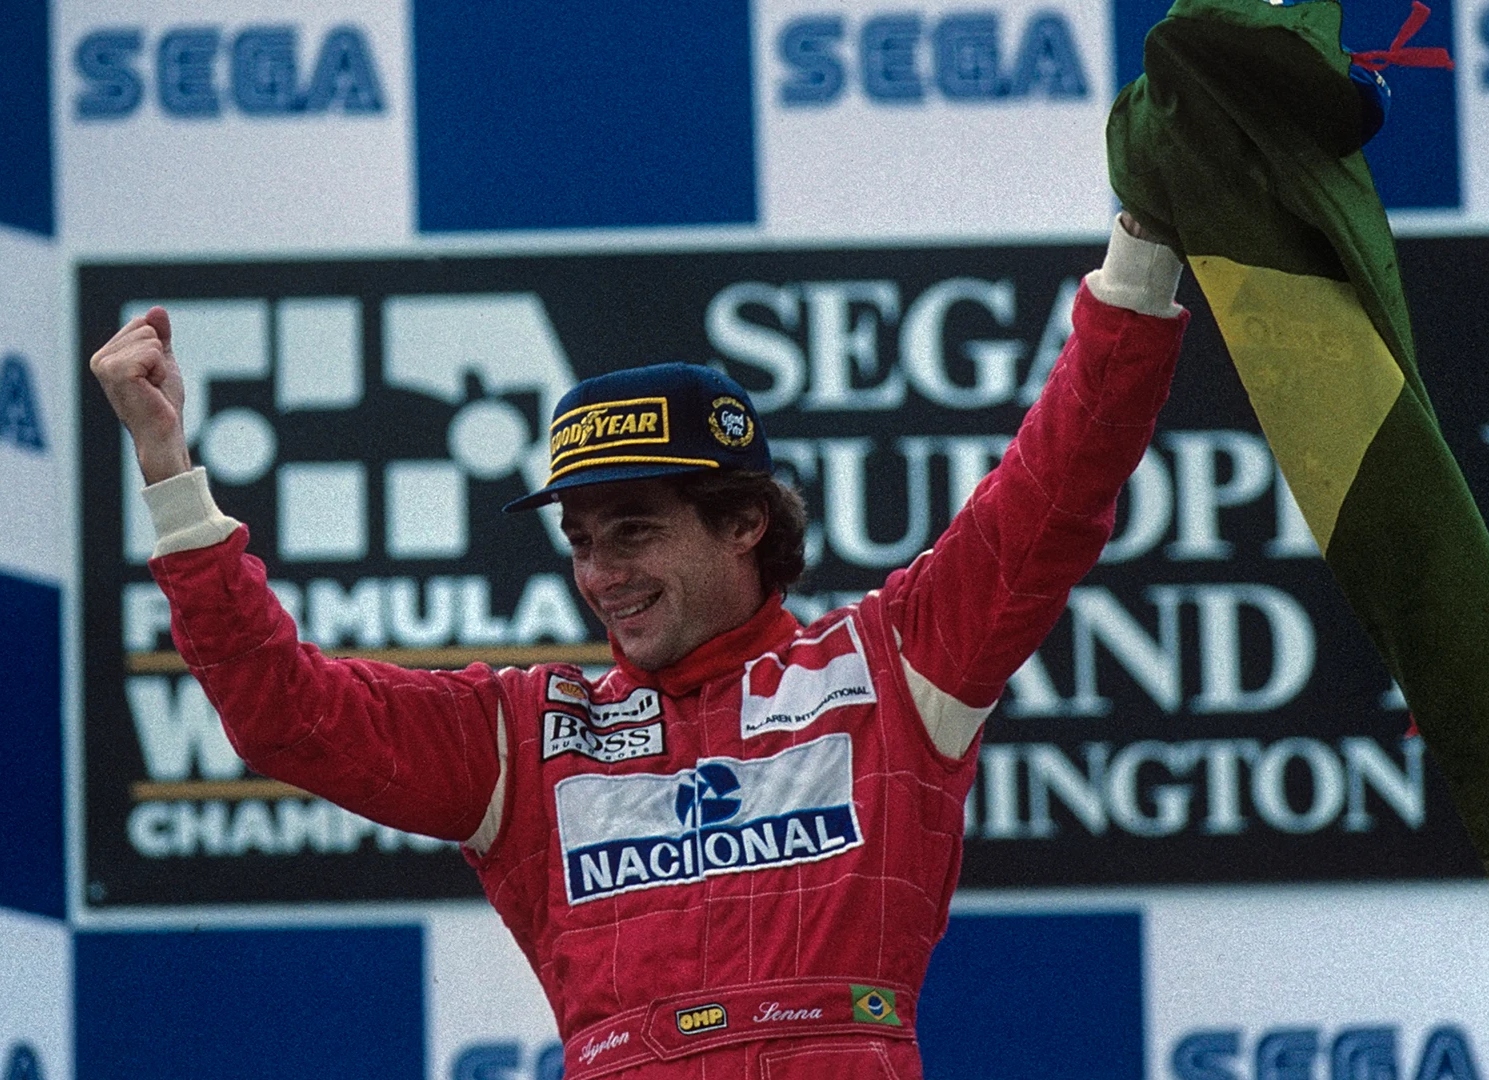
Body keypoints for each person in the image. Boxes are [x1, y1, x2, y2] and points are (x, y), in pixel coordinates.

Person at [90, 213, 1189, 1080]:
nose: (601, 573)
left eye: (634, 532)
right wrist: (168, 469)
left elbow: (1059, 487)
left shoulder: (889, 668)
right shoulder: (524, 736)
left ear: (744, 522)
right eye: (580, 542)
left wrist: (1142, 249)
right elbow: (285, 715)